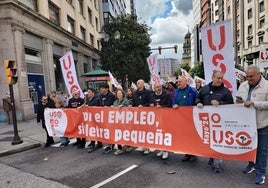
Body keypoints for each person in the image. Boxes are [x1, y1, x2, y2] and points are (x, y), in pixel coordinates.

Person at [196, 71, 234, 173]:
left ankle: (218, 164)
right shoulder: (205, 89)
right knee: (209, 141)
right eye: (218, 78)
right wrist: (198, 102)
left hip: (219, 122)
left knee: (218, 142)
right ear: (212, 78)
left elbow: (231, 105)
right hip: (207, 121)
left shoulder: (225, 91)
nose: (220, 80)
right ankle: (212, 157)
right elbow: (198, 97)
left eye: (221, 78)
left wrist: (220, 103)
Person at [236, 65, 268, 185]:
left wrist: (254, 103)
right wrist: (238, 101)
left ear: (259, 74)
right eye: (247, 76)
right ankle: (251, 165)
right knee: (249, 146)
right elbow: (238, 100)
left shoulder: (267, 85)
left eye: (251, 76)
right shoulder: (243, 85)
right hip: (247, 123)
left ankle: (260, 173)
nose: (249, 78)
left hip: (263, 123)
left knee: (262, 150)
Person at [172, 76, 198, 162]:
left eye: (180, 82)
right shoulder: (176, 91)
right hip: (180, 118)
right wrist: (174, 105)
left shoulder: (193, 91)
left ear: (186, 82)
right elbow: (174, 102)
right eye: (177, 82)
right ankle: (187, 153)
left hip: (190, 118)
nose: (178, 83)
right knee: (184, 136)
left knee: (191, 136)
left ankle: (193, 153)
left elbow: (198, 100)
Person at [130, 79, 154, 154]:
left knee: (146, 131)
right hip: (138, 116)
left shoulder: (147, 92)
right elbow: (133, 102)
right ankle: (142, 145)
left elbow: (151, 103)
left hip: (146, 115)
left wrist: (143, 106)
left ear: (143, 84)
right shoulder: (135, 93)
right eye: (137, 83)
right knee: (140, 131)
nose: (137, 84)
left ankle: (147, 147)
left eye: (139, 83)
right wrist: (132, 105)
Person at [153, 82, 172, 159]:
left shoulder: (166, 94)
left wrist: (161, 107)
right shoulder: (152, 95)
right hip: (155, 118)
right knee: (158, 134)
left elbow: (169, 105)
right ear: (154, 88)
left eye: (159, 86)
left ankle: (165, 151)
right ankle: (161, 149)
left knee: (163, 134)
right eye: (157, 87)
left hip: (164, 118)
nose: (159, 88)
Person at [98, 83, 116, 154]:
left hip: (110, 117)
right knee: (106, 131)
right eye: (101, 88)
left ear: (107, 89)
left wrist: (109, 107)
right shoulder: (99, 96)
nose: (101, 89)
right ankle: (109, 144)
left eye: (102, 88)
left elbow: (114, 105)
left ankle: (110, 145)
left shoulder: (111, 96)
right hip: (103, 117)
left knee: (111, 131)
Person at [111, 89, 130, 155]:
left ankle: (128, 146)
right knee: (117, 134)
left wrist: (123, 107)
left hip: (124, 120)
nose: (119, 95)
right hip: (117, 121)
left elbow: (128, 109)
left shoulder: (126, 101)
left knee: (125, 133)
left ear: (123, 94)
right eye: (118, 93)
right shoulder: (115, 102)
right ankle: (119, 148)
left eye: (120, 93)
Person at [86, 88, 102, 153]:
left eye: (89, 92)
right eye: (88, 92)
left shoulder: (97, 99)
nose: (88, 93)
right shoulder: (89, 99)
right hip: (91, 118)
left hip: (96, 118)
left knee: (94, 131)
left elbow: (98, 108)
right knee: (94, 131)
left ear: (93, 93)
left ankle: (92, 145)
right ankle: (99, 143)